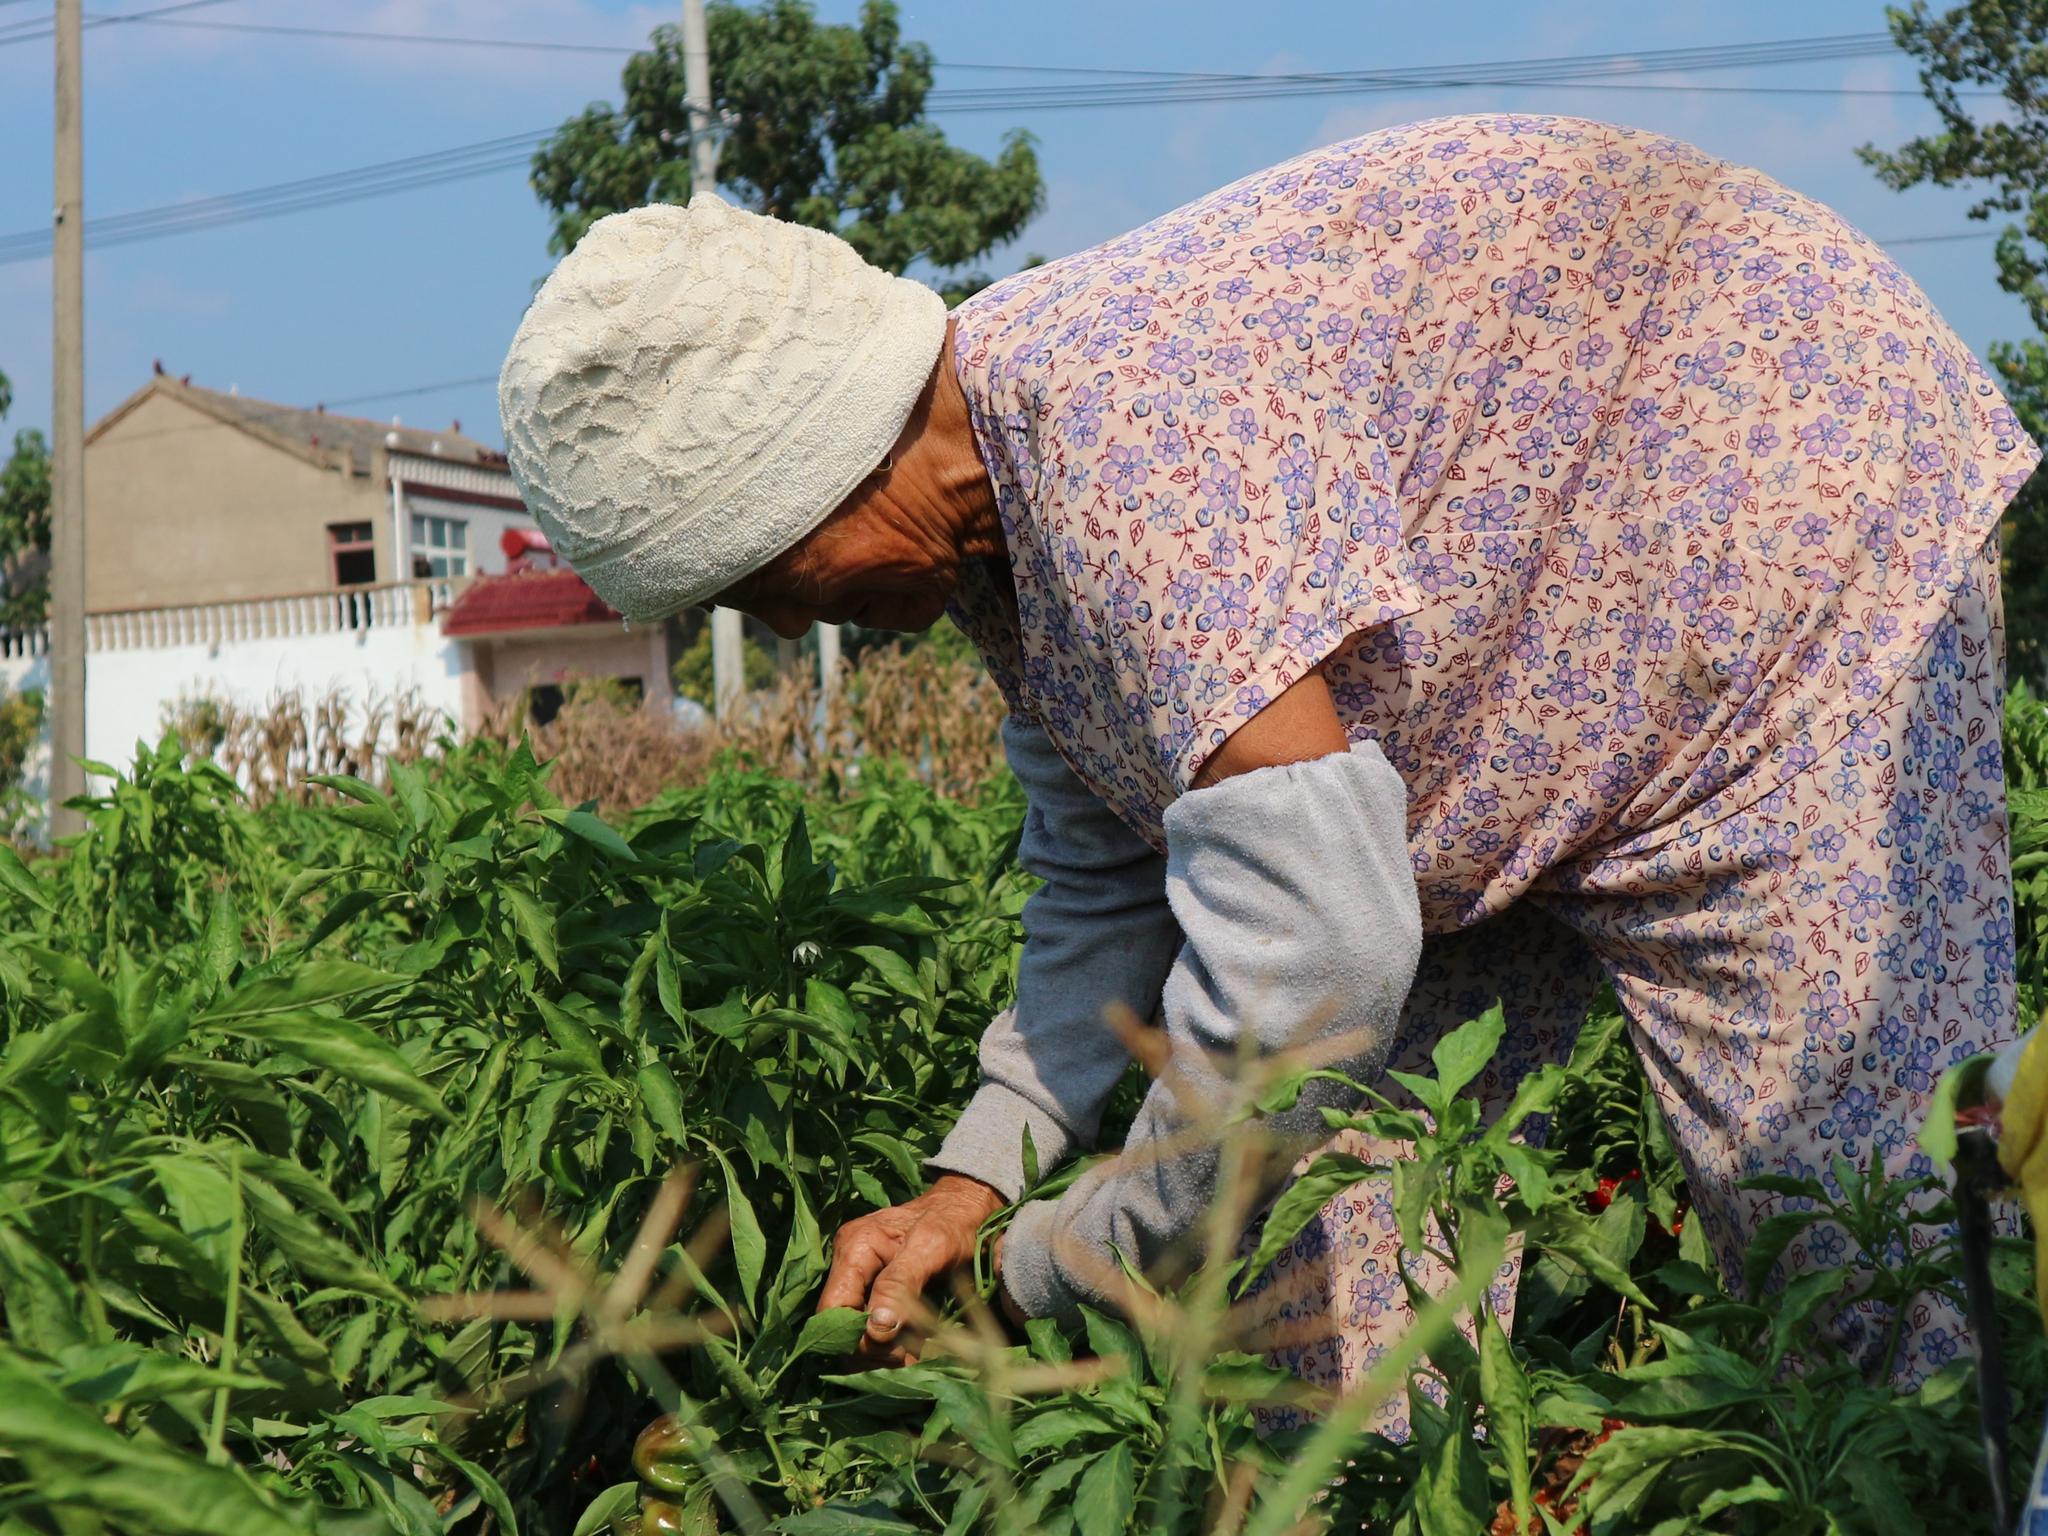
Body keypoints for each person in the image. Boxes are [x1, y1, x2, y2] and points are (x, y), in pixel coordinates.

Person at [498, 111, 2040, 1427]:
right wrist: (974, 1183)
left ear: (826, 456)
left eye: (765, 572)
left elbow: (1313, 962)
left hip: (1776, 547)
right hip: (1491, 707)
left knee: (1861, 1245)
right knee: (1334, 1325)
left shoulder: (1114, 433)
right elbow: (1108, 892)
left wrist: (1061, 1258)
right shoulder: (996, 535)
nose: (781, 618)